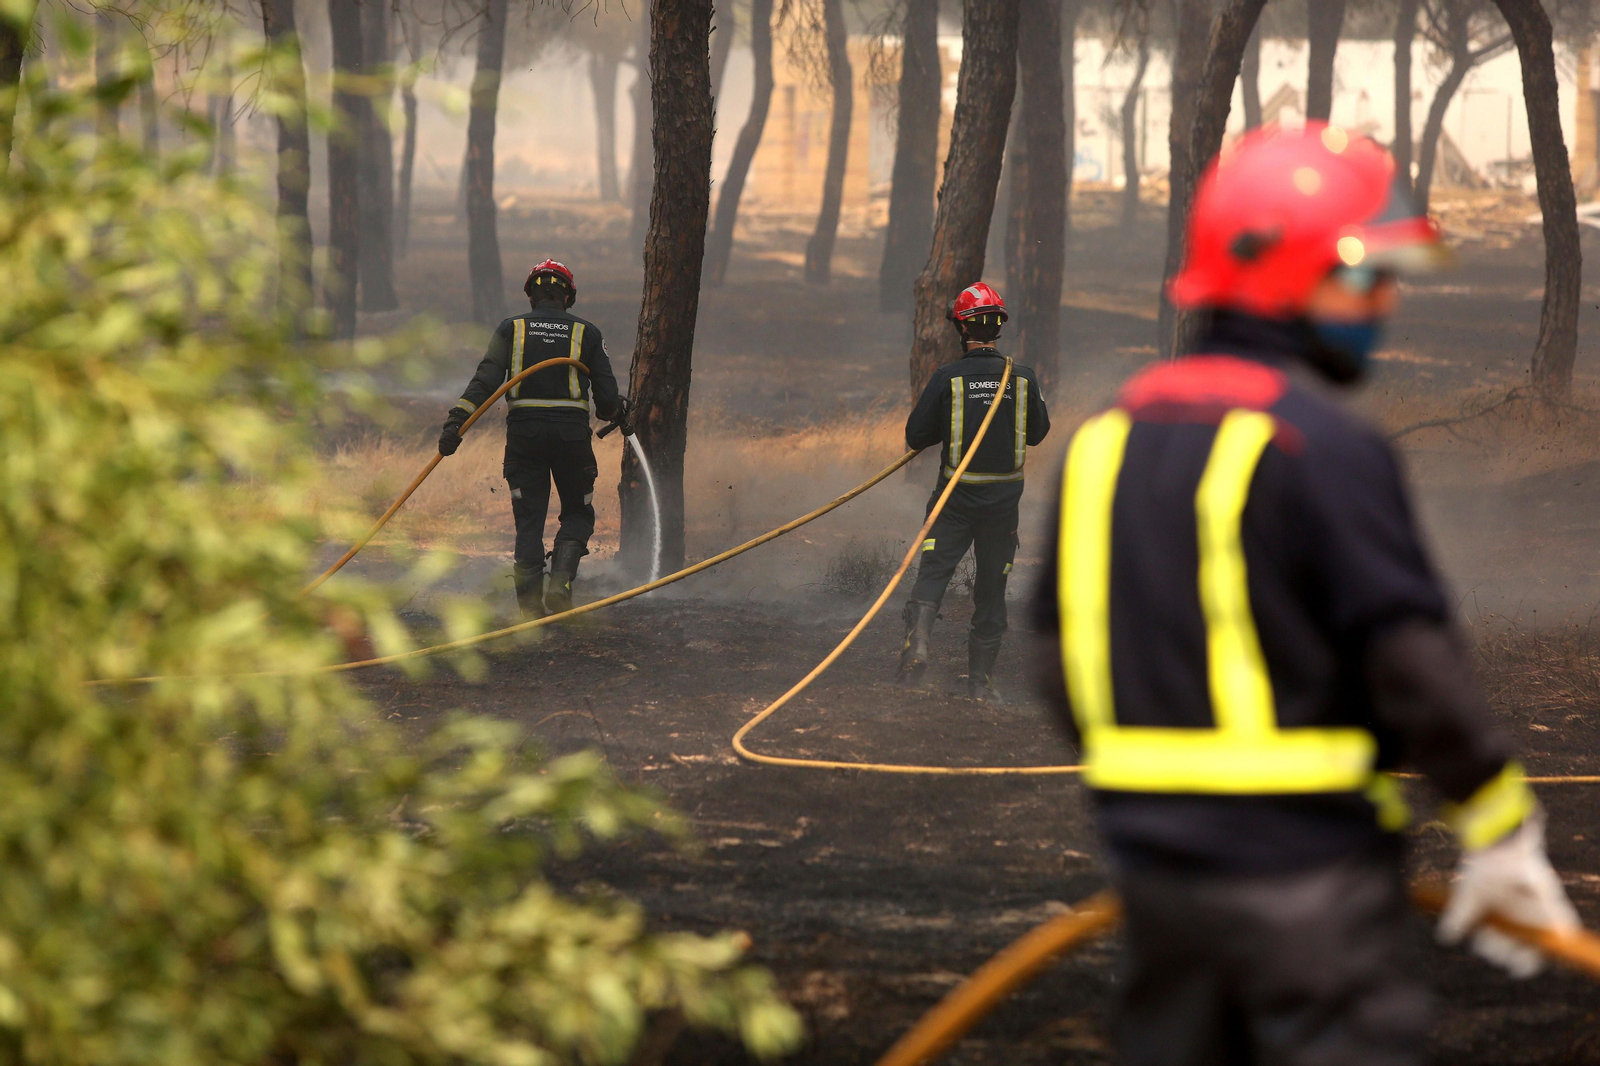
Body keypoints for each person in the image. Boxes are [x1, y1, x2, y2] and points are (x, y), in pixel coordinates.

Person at [1030, 123, 1579, 1066]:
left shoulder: (1104, 441)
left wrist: (1156, 799)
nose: (1386, 300)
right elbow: (1410, 663)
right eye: (1365, 274)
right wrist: (1500, 829)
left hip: (1154, 881)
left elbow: (1056, 657)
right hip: (1310, 885)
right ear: (1283, 274)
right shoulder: (1320, 443)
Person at [438, 259, 628, 620]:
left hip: (524, 437)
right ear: (568, 297)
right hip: (572, 437)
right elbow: (606, 403)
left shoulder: (511, 329)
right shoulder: (587, 333)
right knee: (577, 512)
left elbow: (484, 381)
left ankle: (528, 613)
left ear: (531, 296)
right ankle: (560, 585)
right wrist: (618, 409)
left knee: (529, 521)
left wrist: (455, 424)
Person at [900, 283, 1050, 701]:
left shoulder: (948, 378)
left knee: (933, 573)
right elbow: (1038, 433)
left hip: (954, 502)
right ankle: (981, 682)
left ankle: (917, 647)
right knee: (991, 589)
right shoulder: (1022, 377)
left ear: (961, 328)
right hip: (1002, 507)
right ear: (998, 327)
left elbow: (916, 436)